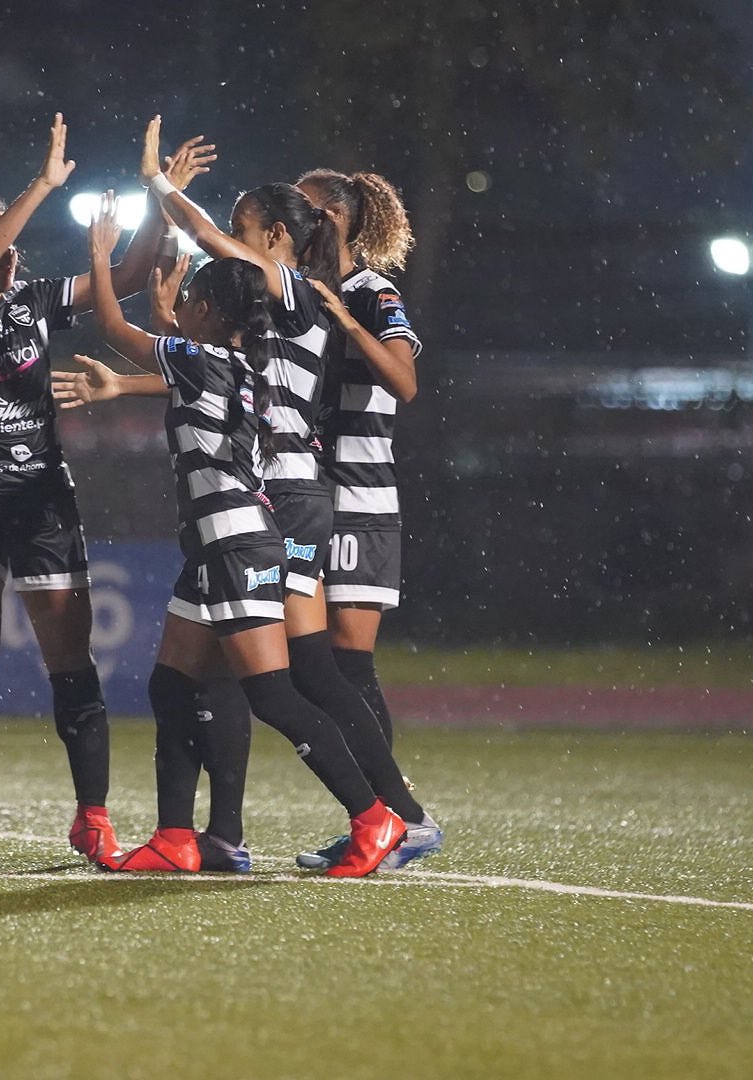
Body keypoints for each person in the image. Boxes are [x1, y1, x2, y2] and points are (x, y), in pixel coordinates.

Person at [59, 118, 432, 873]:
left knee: (287, 677)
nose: (232, 240)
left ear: (280, 238)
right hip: (274, 497)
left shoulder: (298, 291)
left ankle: (390, 815)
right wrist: (145, 355)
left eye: (244, 228)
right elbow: (209, 378)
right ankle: (207, 835)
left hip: (276, 498)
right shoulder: (268, 315)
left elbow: (196, 287)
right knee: (206, 675)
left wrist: (158, 186)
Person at [0, 114, 164, 869]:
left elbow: (127, 278)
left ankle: (93, 817)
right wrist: (43, 185)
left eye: (12, 234)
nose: (12, 249)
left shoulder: (36, 300)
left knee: (69, 657)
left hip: (42, 496)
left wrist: (159, 198)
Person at [290, 167, 444, 870]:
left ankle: (401, 819)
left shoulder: (371, 292)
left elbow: (405, 382)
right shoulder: (296, 293)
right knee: (309, 667)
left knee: (345, 665)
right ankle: (382, 816)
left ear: (337, 218)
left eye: (307, 210)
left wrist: (348, 322)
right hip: (307, 492)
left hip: (357, 494)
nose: (296, 220)